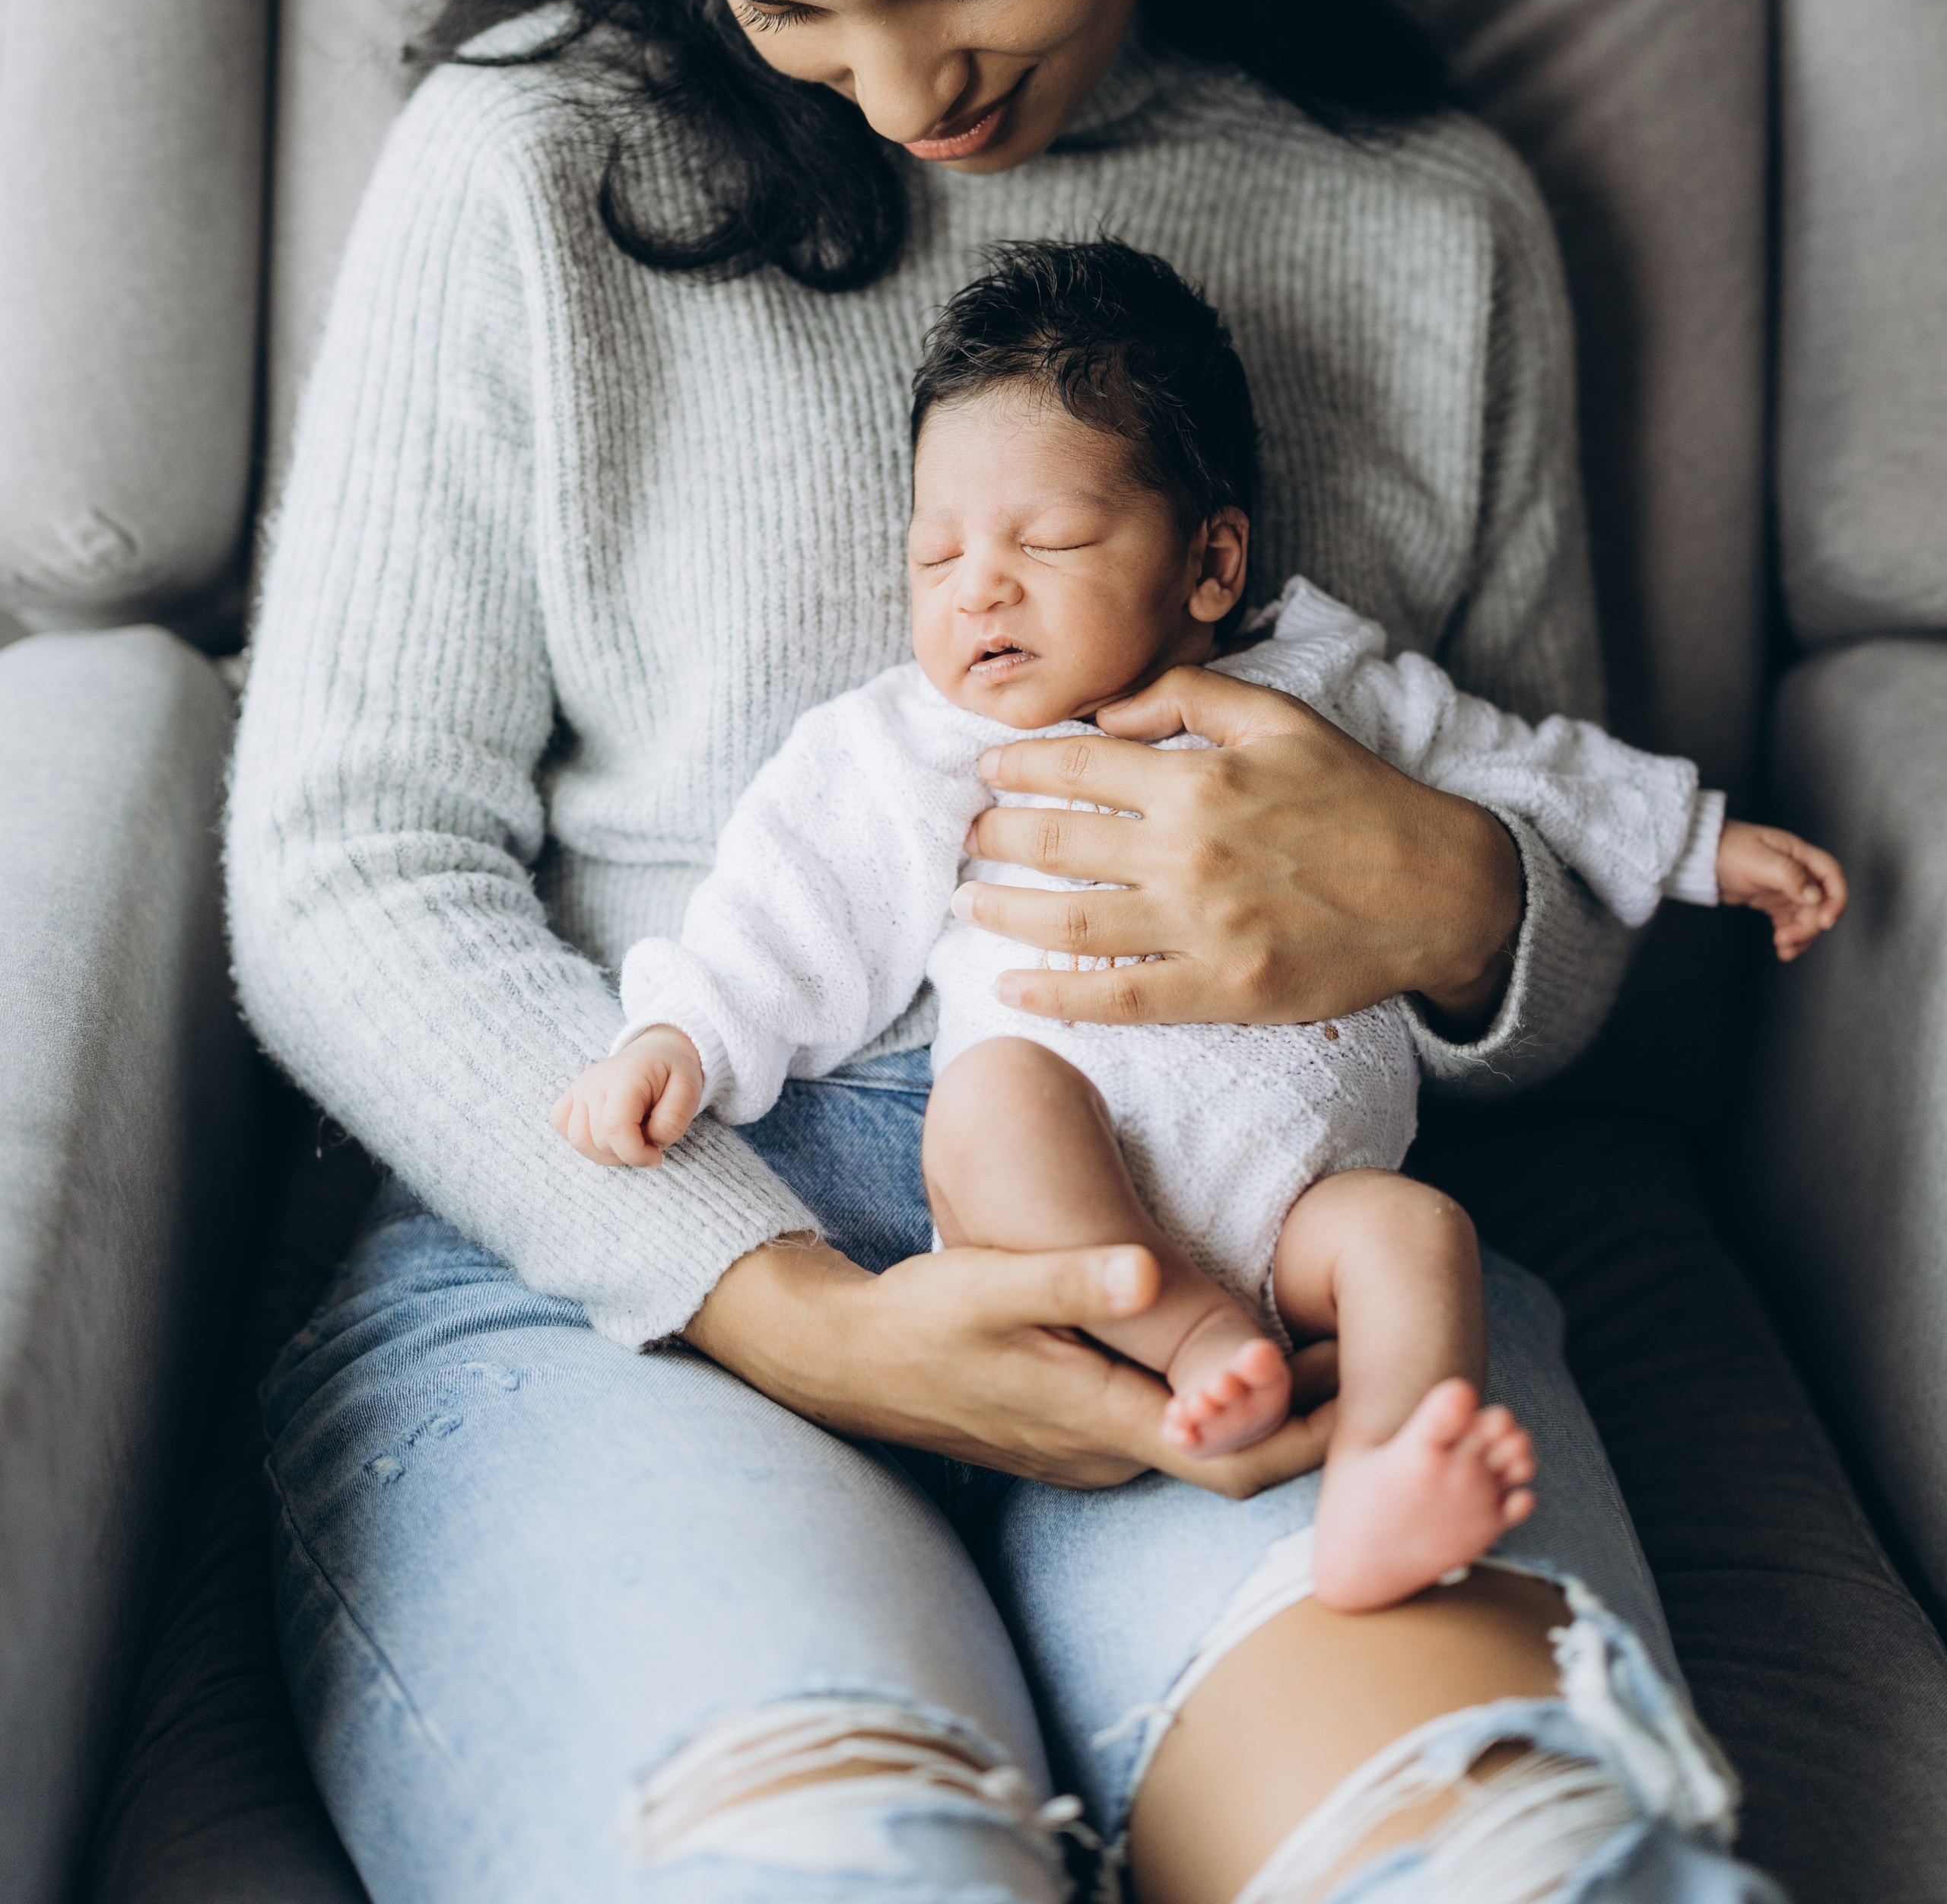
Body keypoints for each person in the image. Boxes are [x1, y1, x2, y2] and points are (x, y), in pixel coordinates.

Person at [228, 0, 1796, 1899]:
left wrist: (1438, 898)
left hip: (1246, 1232)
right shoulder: (523, 173)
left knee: (1512, 1867)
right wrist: (780, 1300)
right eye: (780, 2)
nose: (898, 88)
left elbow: (1569, 938)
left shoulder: (1423, 223)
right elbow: (344, 862)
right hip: (634, 1265)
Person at [555, 238, 1843, 1611]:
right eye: (936, 555)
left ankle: (1395, 1486)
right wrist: (685, 1029)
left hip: (1306, 1202)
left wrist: (1698, 838)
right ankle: (1192, 1335)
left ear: (1211, 560)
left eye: (1044, 542)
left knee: (1422, 1240)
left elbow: (1532, 768)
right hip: (1075, 1191)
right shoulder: (924, 743)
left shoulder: (1335, 685)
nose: (977, 585)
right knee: (991, 1099)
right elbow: (794, 894)